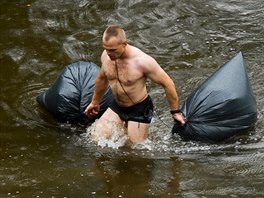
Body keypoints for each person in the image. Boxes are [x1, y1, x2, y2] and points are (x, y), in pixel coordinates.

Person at [84, 25, 185, 143]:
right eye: (106, 48)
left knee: (135, 152)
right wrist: (95, 102)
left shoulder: (142, 62)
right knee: (96, 138)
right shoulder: (106, 56)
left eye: (112, 50)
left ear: (124, 44)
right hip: (118, 106)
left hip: (139, 109)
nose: (108, 53)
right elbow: (102, 79)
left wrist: (175, 112)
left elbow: (168, 84)